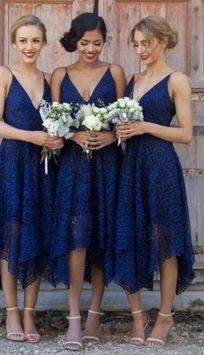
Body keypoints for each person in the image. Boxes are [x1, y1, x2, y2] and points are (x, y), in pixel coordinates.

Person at [0, 15, 62, 343]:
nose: (29, 47)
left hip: (42, 168)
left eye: (35, 41)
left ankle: (30, 314)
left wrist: (57, 138)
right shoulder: (3, 74)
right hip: (12, 164)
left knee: (37, 234)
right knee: (10, 234)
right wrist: (33, 137)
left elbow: (58, 123)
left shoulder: (49, 77)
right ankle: (12, 312)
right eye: (23, 40)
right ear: (14, 43)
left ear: (43, 44)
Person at [115, 15, 195, 347]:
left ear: (162, 41)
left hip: (161, 166)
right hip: (130, 165)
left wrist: (146, 126)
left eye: (146, 43)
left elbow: (186, 134)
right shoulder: (132, 80)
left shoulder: (177, 80)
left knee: (165, 239)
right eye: (136, 44)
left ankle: (164, 316)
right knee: (129, 234)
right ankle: (137, 316)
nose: (141, 50)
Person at [50, 12, 126, 351]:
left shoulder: (116, 73)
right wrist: (73, 133)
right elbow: (54, 123)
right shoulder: (59, 74)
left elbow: (124, 118)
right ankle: (75, 319)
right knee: (76, 239)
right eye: (84, 43)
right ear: (74, 41)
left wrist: (112, 138)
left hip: (107, 166)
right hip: (71, 167)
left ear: (104, 41)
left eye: (97, 43)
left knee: (100, 237)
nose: (91, 49)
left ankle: (95, 313)